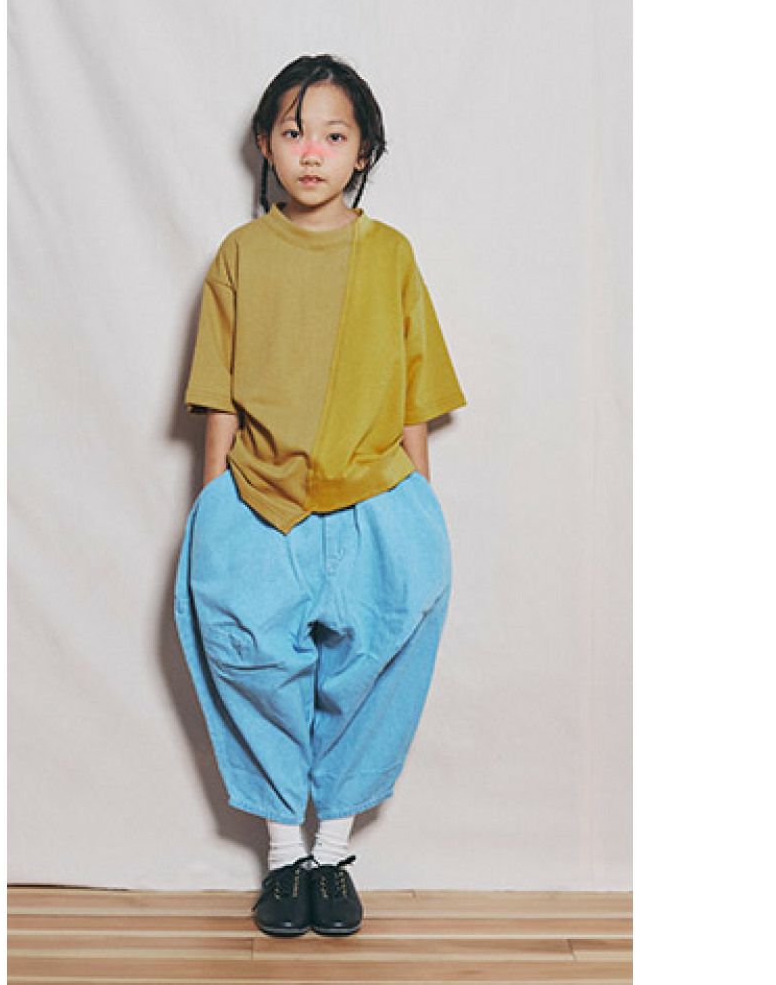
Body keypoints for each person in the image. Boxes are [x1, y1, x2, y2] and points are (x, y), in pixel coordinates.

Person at [173, 54, 467, 937]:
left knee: (372, 677)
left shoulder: (391, 255)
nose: (312, 152)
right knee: (254, 671)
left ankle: (332, 856)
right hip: (259, 504)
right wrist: (211, 511)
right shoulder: (241, 254)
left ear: (363, 151)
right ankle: (282, 858)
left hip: (377, 501)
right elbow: (218, 394)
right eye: (294, 132)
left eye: (334, 135)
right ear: (265, 144)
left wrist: (421, 510)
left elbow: (413, 391)